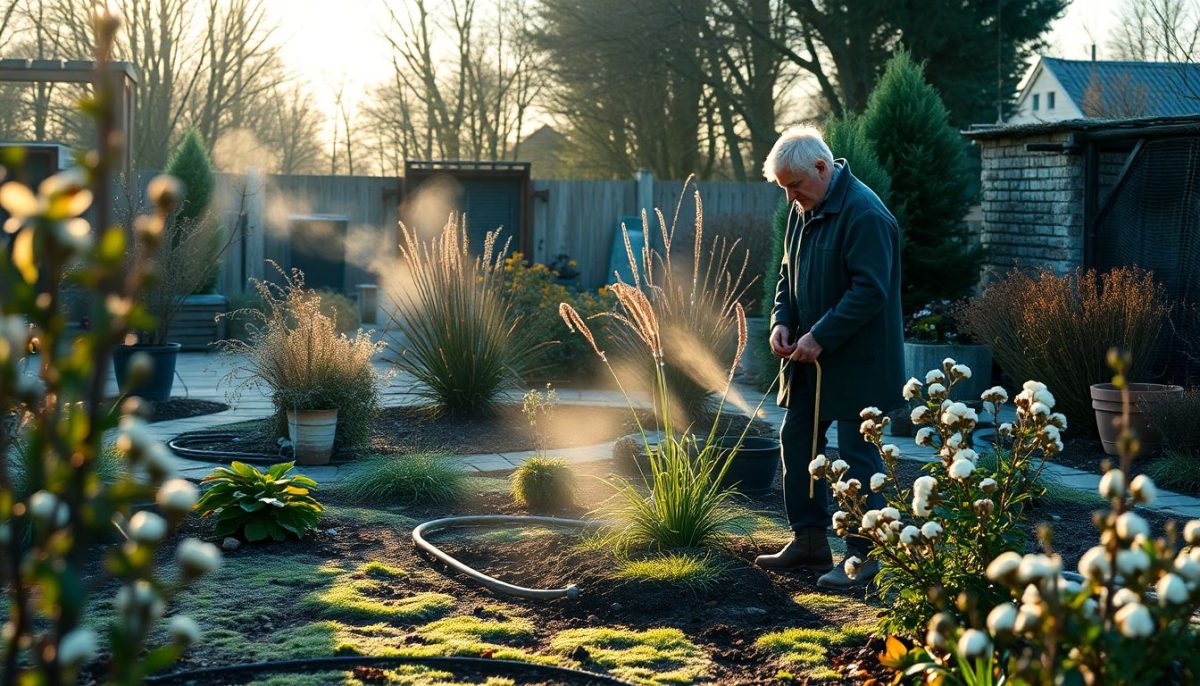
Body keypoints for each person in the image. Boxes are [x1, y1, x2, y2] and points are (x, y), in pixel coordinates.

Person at [754, 126, 904, 590]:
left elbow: (870, 291)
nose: (790, 197)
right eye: (783, 188)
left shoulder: (866, 214)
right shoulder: (804, 208)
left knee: (858, 456)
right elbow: (786, 272)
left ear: (822, 168)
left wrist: (820, 334)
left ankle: (865, 555)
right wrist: (782, 319)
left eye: (794, 185)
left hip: (859, 362)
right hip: (808, 358)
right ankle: (810, 540)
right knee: (797, 439)